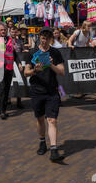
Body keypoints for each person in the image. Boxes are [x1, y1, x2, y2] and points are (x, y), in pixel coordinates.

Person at [24, 27, 66, 162]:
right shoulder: (32, 53)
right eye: (43, 37)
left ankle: (54, 150)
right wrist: (35, 70)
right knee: (40, 119)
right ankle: (42, 141)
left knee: (52, 120)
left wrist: (51, 64)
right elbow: (26, 72)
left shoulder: (55, 52)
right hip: (37, 91)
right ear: (39, 37)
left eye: (48, 37)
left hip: (52, 91)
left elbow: (62, 72)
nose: (45, 40)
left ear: (50, 39)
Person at [0, 22, 23, 120]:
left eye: (4, 29)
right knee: (2, 89)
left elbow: (14, 53)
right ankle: (1, 111)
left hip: (9, 67)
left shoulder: (10, 40)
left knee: (6, 90)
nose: (3, 31)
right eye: (1, 30)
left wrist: (19, 63)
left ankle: (3, 110)